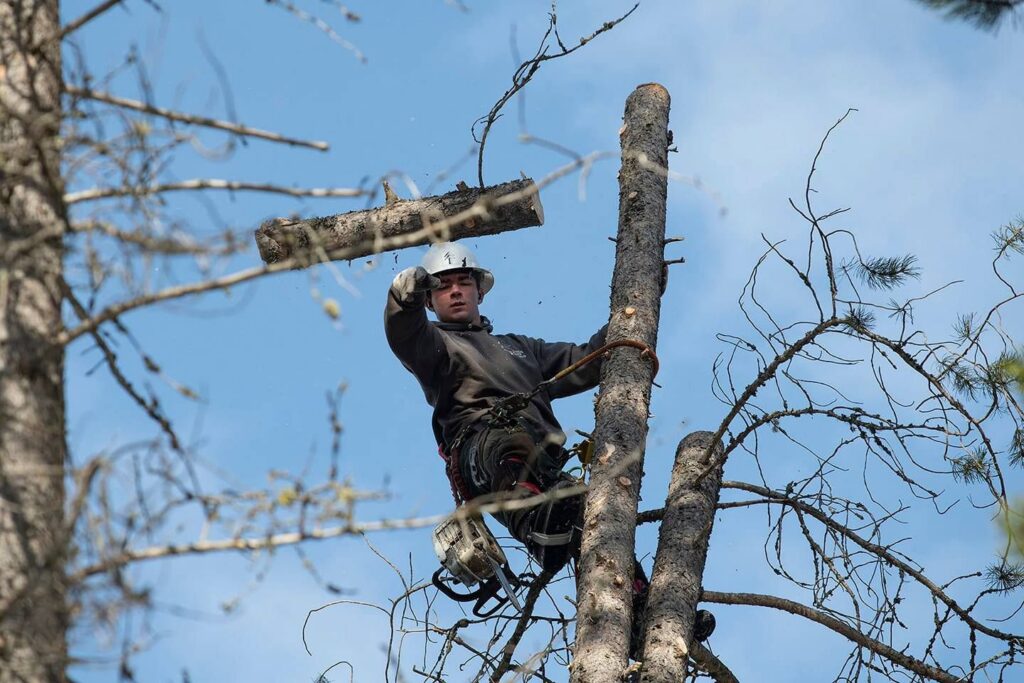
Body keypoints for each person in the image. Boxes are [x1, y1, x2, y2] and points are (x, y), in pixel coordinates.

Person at [384, 240, 714, 651]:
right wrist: (403, 296)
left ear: (479, 291)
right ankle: (531, 515)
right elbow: (403, 332)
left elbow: (588, 358)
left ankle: (646, 615)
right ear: (431, 300)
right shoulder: (435, 345)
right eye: (443, 285)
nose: (455, 291)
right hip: (484, 453)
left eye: (463, 282)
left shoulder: (520, 348)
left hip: (541, 465)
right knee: (511, 437)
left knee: (596, 516)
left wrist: (644, 297)